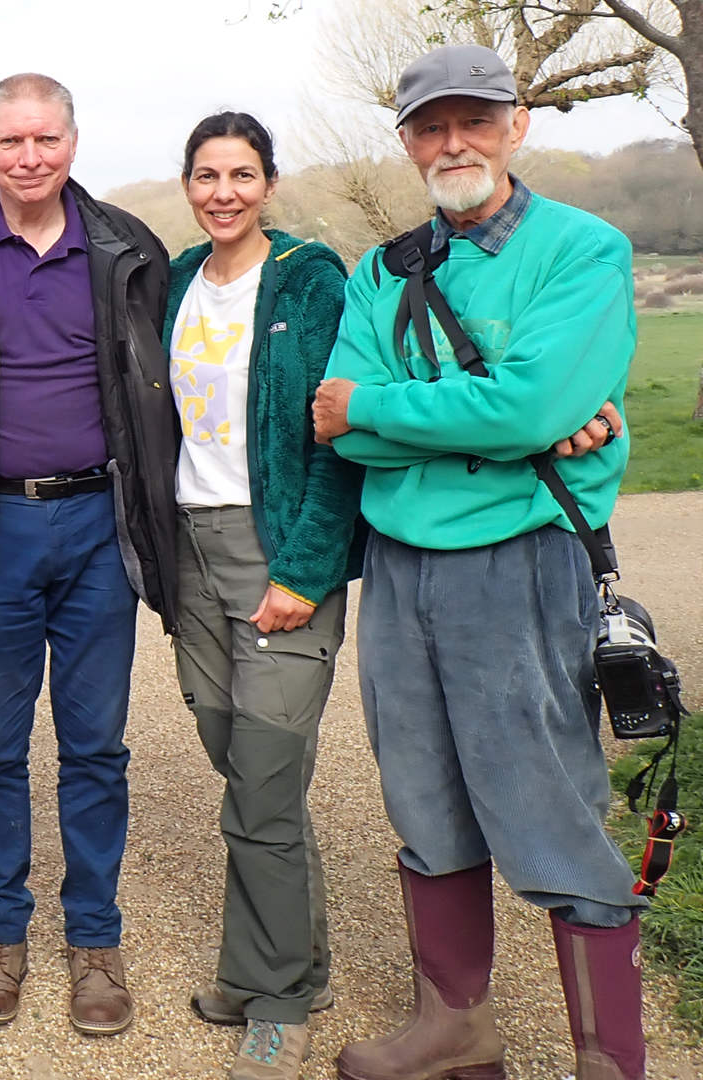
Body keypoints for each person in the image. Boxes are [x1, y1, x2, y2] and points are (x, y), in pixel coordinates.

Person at [314, 45, 646, 1080]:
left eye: (476, 119)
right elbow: (336, 422)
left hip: (520, 560)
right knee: (422, 798)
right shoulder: (383, 268)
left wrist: (392, 410)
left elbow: (533, 407)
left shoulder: (583, 251)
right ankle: (457, 1032)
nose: (453, 141)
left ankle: (611, 1060)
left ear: (517, 125)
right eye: (430, 125)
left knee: (547, 802)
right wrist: (487, 425)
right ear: (408, 140)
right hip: (400, 568)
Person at [0, 73, 178, 1035]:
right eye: (11, 142)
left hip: (100, 525)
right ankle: (0, 939)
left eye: (45, 140)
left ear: (73, 141)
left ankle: (95, 944)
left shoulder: (130, 248)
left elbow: (176, 379)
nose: (29, 158)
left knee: (97, 745)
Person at [159, 113, 364, 1080]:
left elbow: (338, 438)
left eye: (243, 174)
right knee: (237, 765)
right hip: (192, 555)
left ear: (269, 183)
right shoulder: (174, 284)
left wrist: (306, 571)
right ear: (189, 184)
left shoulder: (311, 280)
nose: (224, 192)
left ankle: (277, 997)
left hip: (278, 549)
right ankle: (288, 960)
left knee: (268, 779)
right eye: (208, 175)